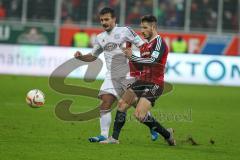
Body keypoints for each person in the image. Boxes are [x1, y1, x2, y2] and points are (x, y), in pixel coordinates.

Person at [74, 7, 158, 142]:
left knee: (136, 106)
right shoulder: (100, 38)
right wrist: (81, 57)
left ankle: (153, 126)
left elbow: (143, 45)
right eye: (101, 20)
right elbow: (93, 56)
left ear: (114, 19)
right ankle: (103, 135)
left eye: (106, 19)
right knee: (105, 102)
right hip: (111, 75)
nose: (104, 22)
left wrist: (144, 57)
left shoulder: (125, 31)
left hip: (129, 74)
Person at [100, 15, 176, 146]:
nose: (142, 30)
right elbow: (142, 66)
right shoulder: (145, 46)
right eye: (141, 27)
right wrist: (129, 57)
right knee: (122, 104)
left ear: (153, 27)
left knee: (139, 115)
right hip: (142, 80)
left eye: (145, 27)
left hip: (155, 83)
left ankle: (167, 134)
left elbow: (153, 61)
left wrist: (133, 57)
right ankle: (114, 138)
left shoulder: (159, 42)